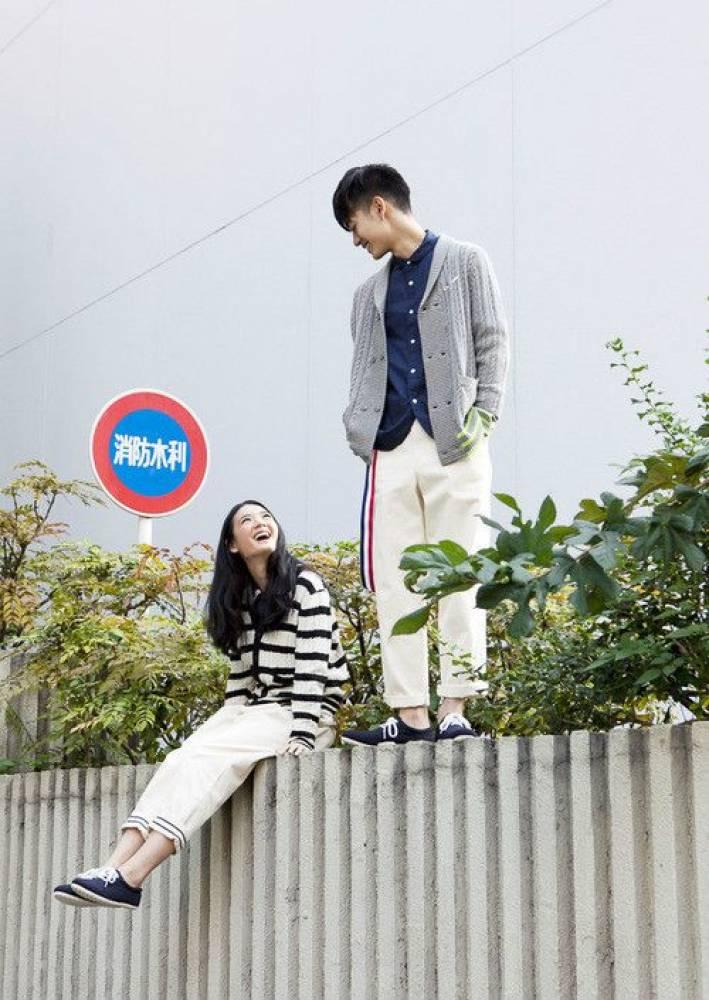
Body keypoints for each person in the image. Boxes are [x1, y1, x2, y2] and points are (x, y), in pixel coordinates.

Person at [52, 500, 349, 909]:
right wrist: (223, 723)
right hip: (260, 711)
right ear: (232, 544)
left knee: (208, 759)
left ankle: (133, 877)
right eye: (248, 520)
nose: (261, 523)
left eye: (266, 517)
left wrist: (302, 733)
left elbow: (312, 667)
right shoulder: (241, 597)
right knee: (181, 758)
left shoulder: (306, 585)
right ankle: (111, 868)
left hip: (306, 712)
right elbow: (241, 680)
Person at [332, 164, 509, 747]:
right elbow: (363, 366)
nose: (356, 241)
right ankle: (410, 715)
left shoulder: (465, 261)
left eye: (354, 226)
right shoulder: (367, 294)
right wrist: (359, 431)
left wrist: (484, 413)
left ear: (379, 207)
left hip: (455, 441)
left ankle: (455, 709)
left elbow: (492, 340)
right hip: (390, 445)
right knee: (395, 581)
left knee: (462, 573)